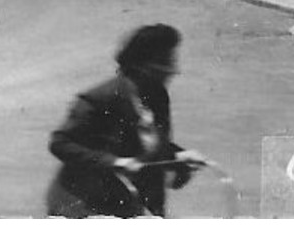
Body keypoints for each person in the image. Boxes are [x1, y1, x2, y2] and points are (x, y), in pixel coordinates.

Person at [45, 24, 206, 217]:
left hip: (127, 204)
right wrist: (115, 162)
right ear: (143, 65)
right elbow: (61, 143)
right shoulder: (101, 97)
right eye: (165, 62)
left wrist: (180, 157)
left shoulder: (157, 96)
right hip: (84, 204)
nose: (173, 71)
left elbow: (150, 144)